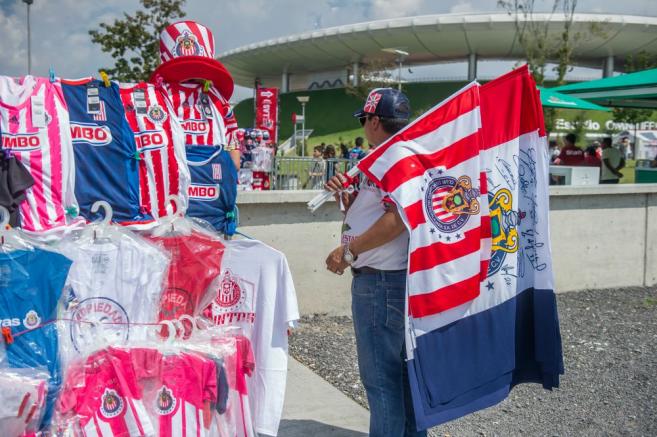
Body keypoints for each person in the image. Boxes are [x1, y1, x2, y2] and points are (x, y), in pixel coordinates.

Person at [324, 88, 425, 437]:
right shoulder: (385, 158)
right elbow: (376, 210)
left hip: (382, 280)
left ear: (375, 120)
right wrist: (348, 198)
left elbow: (396, 219)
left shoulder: (394, 158)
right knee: (399, 375)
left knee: (381, 379)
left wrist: (349, 252)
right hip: (386, 278)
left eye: (364, 119)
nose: (364, 125)